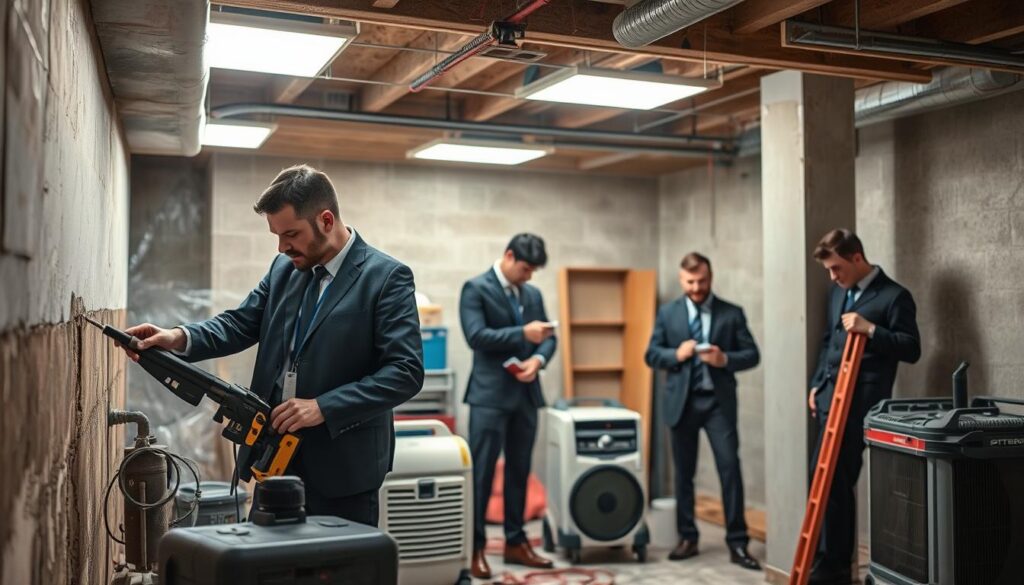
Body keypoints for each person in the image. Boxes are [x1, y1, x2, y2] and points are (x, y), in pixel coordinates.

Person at [119, 164, 424, 526]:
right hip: (273, 456)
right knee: (268, 556)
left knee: (337, 559)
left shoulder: (386, 278)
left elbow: (405, 372)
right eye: (277, 235)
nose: (282, 247)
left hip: (343, 468)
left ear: (326, 220)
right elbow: (239, 323)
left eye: (291, 234)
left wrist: (324, 407)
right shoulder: (285, 269)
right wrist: (178, 337)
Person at [807, 229, 920, 585]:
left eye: (836, 268)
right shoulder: (837, 292)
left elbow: (911, 348)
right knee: (821, 479)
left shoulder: (895, 296)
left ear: (857, 257)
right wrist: (816, 384)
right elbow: (829, 340)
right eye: (829, 269)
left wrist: (871, 329)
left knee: (839, 480)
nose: (832, 276)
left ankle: (835, 569)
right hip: (829, 399)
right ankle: (827, 561)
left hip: (861, 405)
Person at [644, 252, 761, 570]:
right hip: (681, 404)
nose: (696, 288)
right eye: (690, 282)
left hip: (717, 404)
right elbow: (651, 355)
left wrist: (725, 360)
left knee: (730, 469)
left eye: (702, 281)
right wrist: (676, 354)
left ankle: (738, 543)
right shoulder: (668, 313)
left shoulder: (731, 313)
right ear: (681, 280)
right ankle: (688, 538)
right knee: (684, 474)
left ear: (711, 277)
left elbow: (752, 354)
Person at [459, 233, 557, 580]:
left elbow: (550, 339)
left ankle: (516, 543)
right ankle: (474, 548)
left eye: (533, 272)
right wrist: (522, 334)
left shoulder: (533, 294)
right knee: (482, 475)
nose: (529, 277)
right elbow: (476, 337)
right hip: (489, 397)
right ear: (510, 256)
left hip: (526, 395)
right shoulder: (475, 288)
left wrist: (538, 361)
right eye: (526, 269)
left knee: (520, 471)